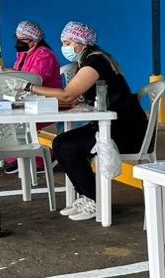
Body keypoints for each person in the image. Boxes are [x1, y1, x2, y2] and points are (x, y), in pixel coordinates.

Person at [26, 21, 147, 223]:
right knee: (61, 143)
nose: (64, 48)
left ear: (80, 43)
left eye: (67, 43)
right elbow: (74, 97)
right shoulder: (90, 60)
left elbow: (67, 95)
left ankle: (95, 199)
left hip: (125, 130)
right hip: (110, 126)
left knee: (68, 147)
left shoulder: (94, 62)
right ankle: (86, 195)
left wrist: (30, 88)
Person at [10, 20, 63, 89]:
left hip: (47, 96)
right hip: (29, 93)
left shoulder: (45, 55)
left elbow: (35, 80)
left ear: (35, 40)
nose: (19, 42)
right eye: (17, 38)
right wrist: (1, 71)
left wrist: (6, 72)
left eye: (23, 39)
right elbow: (18, 72)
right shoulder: (22, 53)